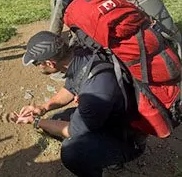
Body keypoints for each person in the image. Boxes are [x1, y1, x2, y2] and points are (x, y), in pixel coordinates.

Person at [9, 31, 146, 177]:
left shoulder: (95, 89)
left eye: (37, 64)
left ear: (49, 63)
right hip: (110, 118)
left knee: (72, 153)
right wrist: (43, 108)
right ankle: (103, 154)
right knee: (55, 120)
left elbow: (73, 130)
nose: (38, 67)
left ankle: (111, 159)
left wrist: (36, 121)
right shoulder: (80, 57)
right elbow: (70, 88)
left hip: (127, 139)